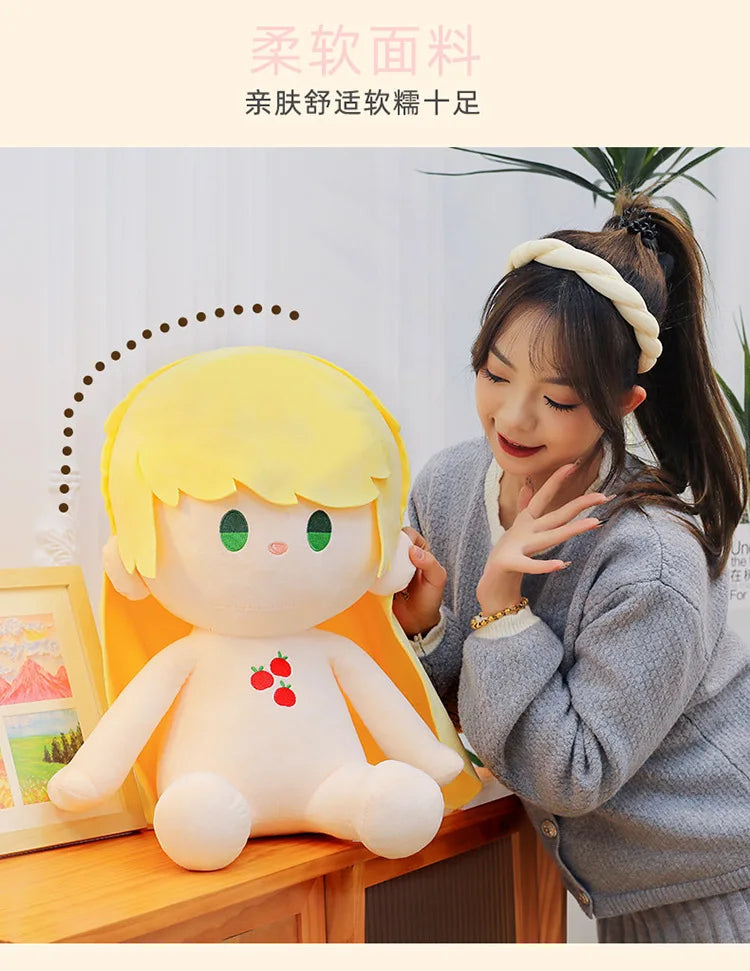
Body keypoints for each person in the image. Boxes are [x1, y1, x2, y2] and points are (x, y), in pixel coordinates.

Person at [393, 199, 750, 943]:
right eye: (495, 374)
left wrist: (501, 603)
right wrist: (427, 624)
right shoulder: (449, 486)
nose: (513, 418)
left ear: (623, 402)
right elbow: (478, 712)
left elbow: (572, 772)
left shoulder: (651, 560)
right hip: (626, 893)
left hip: (717, 896)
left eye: (557, 398)